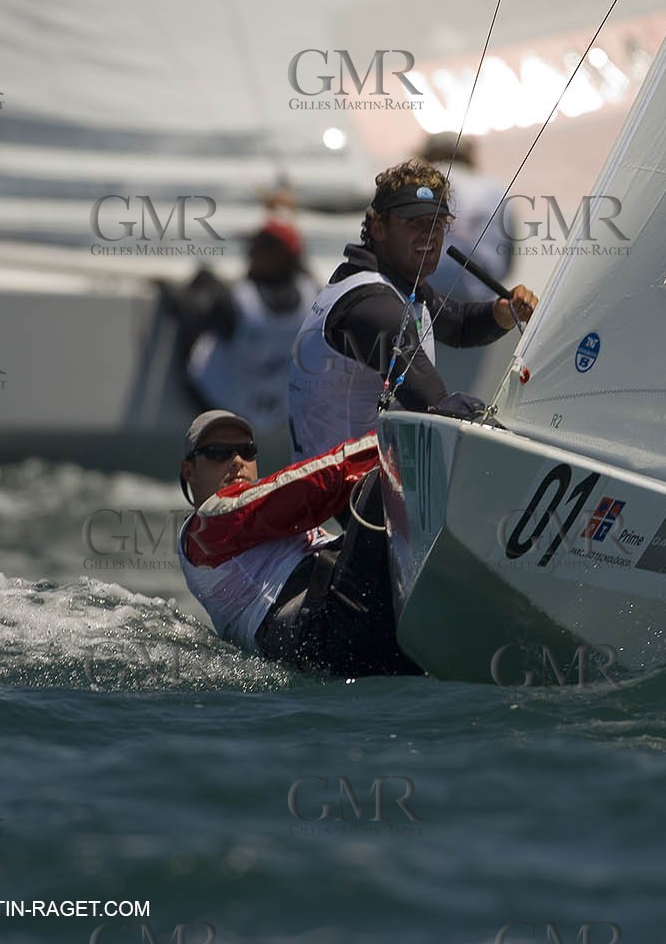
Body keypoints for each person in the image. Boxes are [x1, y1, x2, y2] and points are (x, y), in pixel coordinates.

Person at [285, 160, 538, 461]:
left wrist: (503, 312)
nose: (429, 236)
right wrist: (526, 450)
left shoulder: (394, 285)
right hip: (340, 487)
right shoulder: (373, 307)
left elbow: (459, 325)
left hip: (361, 480)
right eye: (414, 223)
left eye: (437, 224)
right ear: (378, 228)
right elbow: (436, 405)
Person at [177, 409, 421, 677]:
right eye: (218, 453)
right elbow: (316, 485)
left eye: (246, 451)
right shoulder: (207, 527)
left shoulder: (257, 522)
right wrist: (398, 439)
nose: (237, 461)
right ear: (189, 471)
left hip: (343, 630)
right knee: (380, 478)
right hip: (324, 632)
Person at [163, 219, 321, 433]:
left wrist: (166, 288)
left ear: (277, 257)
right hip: (279, 412)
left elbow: (187, 310)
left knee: (204, 279)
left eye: (256, 248)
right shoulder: (313, 297)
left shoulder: (237, 301)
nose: (249, 255)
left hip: (217, 404)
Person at [416, 131, 521, 295]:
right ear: (469, 155)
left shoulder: (418, 186)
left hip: (424, 297)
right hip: (483, 299)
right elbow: (508, 261)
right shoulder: (496, 190)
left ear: (428, 155)